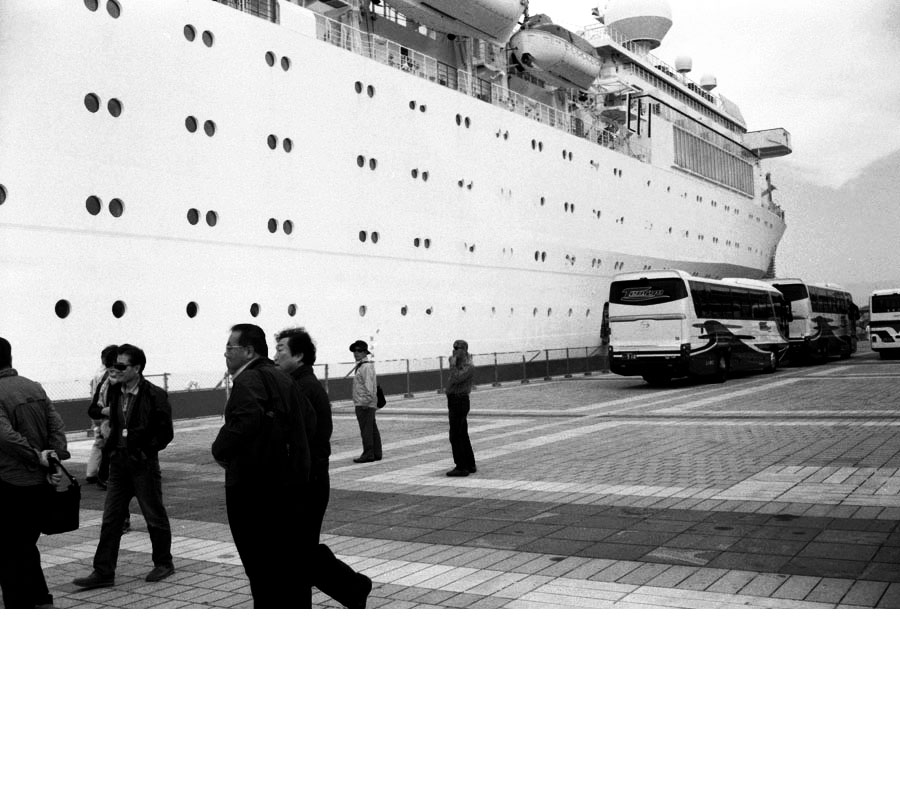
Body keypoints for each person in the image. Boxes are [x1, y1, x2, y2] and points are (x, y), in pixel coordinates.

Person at [212, 324, 312, 608]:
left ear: (248, 351)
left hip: (253, 489)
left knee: (259, 566)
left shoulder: (249, 380)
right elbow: (310, 419)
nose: (225, 353)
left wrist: (218, 449)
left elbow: (245, 422)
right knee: (282, 565)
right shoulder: (280, 376)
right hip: (286, 485)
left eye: (230, 348)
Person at [275, 328, 372, 608]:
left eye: (281, 349)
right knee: (299, 550)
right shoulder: (299, 383)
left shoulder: (303, 387)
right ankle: (352, 588)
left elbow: (307, 437)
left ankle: (354, 587)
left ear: (299, 355)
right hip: (309, 479)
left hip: (308, 481)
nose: (275, 355)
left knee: (299, 551)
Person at [73, 344, 175, 588]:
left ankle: (164, 562)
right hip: (119, 463)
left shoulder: (154, 394)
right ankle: (103, 571)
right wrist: (110, 451)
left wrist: (145, 451)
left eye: (121, 366)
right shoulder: (115, 391)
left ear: (136, 368)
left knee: (154, 516)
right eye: (113, 365)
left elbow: (165, 432)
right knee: (111, 519)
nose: (115, 369)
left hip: (143, 464)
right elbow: (113, 421)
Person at [0, 337, 70, 608]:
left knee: (10, 550)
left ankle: (21, 605)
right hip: (38, 482)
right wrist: (52, 458)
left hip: (9, 481)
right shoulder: (34, 387)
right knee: (25, 544)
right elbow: (56, 425)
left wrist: (35, 457)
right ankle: (41, 599)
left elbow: (4, 436)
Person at [85, 344, 119, 488]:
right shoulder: (105, 382)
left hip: (107, 421)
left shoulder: (100, 378)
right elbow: (93, 409)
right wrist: (104, 411)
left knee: (100, 444)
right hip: (108, 423)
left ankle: (94, 473)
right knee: (104, 445)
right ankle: (101, 475)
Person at [445, 339, 477, 477]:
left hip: (460, 401)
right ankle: (470, 464)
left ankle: (461, 466)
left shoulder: (469, 366)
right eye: (454, 348)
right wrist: (454, 362)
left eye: (457, 349)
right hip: (454, 400)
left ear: (464, 350)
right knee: (462, 433)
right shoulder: (458, 363)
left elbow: (456, 378)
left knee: (455, 435)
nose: (454, 351)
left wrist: (453, 364)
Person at [349, 339, 382, 463]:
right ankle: (376, 453)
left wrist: (365, 403)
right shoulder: (363, 366)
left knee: (366, 430)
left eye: (359, 351)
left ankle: (368, 454)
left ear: (364, 352)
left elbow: (369, 387)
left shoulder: (365, 367)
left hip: (364, 404)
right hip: (366, 402)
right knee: (371, 428)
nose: (355, 353)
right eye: (354, 351)